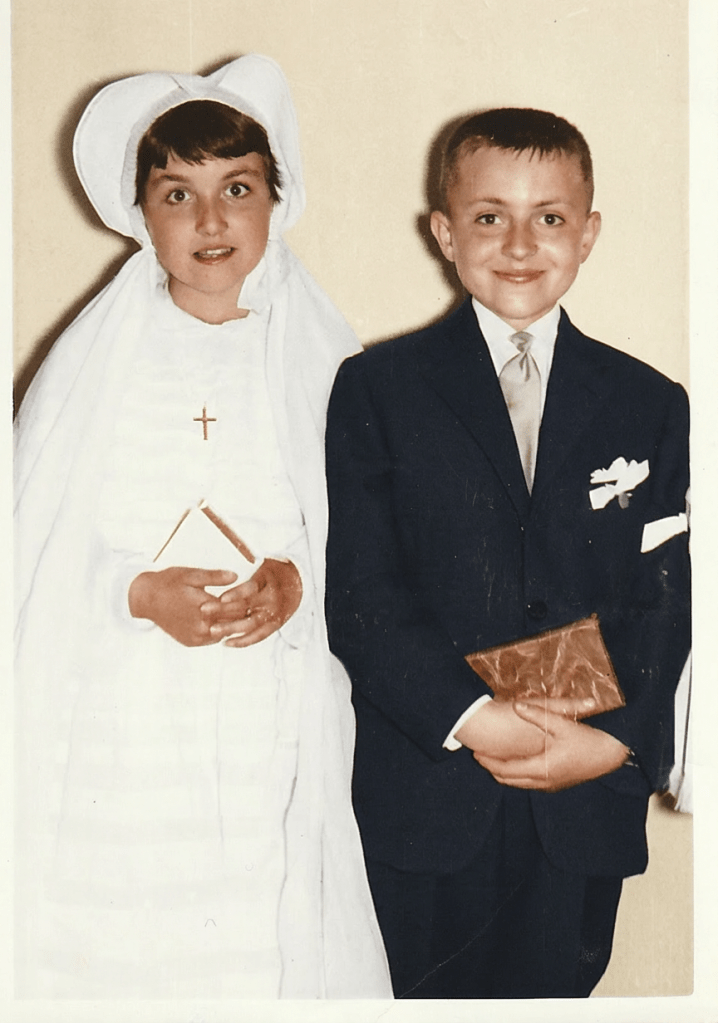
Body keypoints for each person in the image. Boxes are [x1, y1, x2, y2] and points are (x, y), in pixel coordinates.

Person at [14, 54, 391, 999]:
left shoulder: (325, 360)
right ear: (141, 212)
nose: (211, 220)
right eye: (178, 194)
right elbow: (41, 540)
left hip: (267, 700)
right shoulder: (97, 363)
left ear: (276, 199)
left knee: (254, 937)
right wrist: (136, 591)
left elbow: (360, 526)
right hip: (126, 706)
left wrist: (295, 577)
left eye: (237, 189)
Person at [325, 108, 690, 999]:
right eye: (490, 216)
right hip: (428, 799)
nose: (520, 244)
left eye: (549, 217)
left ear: (588, 234)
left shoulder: (651, 401)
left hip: (581, 802)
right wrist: (471, 716)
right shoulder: (376, 387)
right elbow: (363, 595)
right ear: (445, 233)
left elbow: (667, 599)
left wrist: (616, 746)